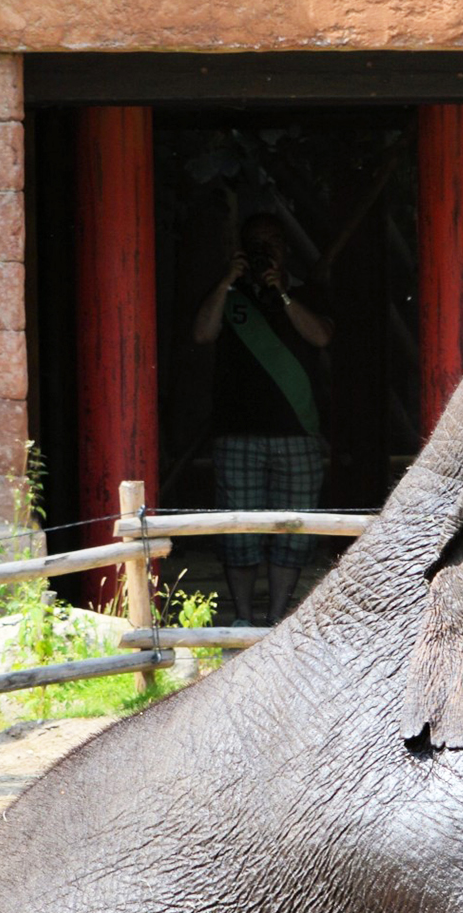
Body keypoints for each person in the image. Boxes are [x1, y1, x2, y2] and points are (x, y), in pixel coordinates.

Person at [192, 213, 336, 626]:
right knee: (239, 534)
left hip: (297, 433)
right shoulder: (228, 294)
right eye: (256, 244)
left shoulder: (307, 293)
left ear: (285, 249)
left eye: (272, 243)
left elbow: (322, 336)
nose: (265, 251)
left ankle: (275, 620)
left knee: (293, 532)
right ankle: (242, 620)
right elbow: (202, 334)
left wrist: (283, 295)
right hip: (237, 433)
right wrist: (226, 282)